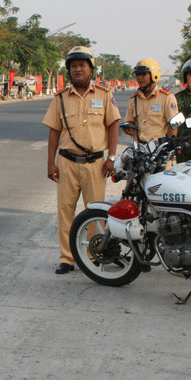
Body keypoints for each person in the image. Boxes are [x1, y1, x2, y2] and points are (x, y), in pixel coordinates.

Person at [43, 46, 121, 275]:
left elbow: (113, 125)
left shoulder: (105, 95)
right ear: (69, 70)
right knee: (65, 210)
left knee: (95, 212)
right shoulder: (61, 98)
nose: (77, 69)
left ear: (90, 69)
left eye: (82, 65)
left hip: (95, 164)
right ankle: (67, 258)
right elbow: (54, 132)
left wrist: (112, 158)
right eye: (73, 66)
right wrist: (51, 163)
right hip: (67, 162)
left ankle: (92, 255)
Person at [124, 58, 178, 143]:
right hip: (139, 148)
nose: (139, 78)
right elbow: (130, 122)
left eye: (143, 74)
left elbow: (174, 125)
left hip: (158, 149)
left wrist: (170, 147)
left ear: (154, 75)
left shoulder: (167, 97)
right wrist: (128, 129)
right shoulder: (134, 99)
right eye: (137, 75)